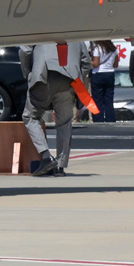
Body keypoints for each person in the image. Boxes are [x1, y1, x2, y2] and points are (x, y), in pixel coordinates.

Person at [20, 40, 86, 176]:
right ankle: (60, 166)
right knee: (64, 123)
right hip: (69, 81)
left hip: (43, 76)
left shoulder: (40, 27)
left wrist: (29, 73)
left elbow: (25, 50)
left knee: (30, 117)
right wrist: (79, 81)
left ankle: (46, 157)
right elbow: (86, 62)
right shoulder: (77, 33)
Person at [90, 40, 119, 123]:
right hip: (110, 73)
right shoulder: (114, 49)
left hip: (98, 74)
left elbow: (96, 64)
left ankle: (98, 120)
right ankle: (111, 119)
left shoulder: (97, 48)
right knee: (109, 100)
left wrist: (90, 60)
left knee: (98, 100)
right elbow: (115, 65)